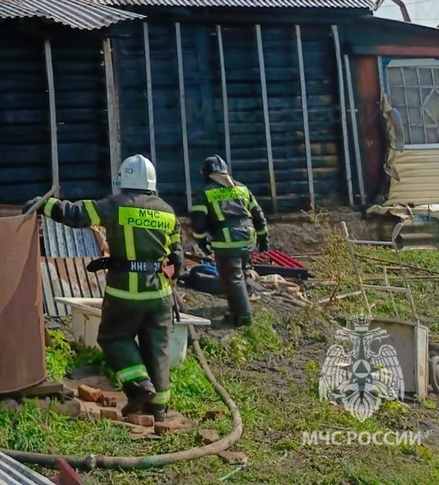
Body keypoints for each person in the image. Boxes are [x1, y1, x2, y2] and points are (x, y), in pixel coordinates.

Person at [26, 155, 184, 420]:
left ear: (124, 180)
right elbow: (177, 256)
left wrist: (45, 205)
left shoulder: (116, 205)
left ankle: (140, 386)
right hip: (161, 296)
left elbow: (77, 215)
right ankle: (158, 408)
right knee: (158, 348)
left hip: (125, 293)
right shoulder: (167, 211)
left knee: (114, 337)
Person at [189, 155, 268, 327]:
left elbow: (198, 220)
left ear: (207, 173)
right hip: (248, 237)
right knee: (243, 272)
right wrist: (263, 237)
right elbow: (258, 214)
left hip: (227, 240)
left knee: (232, 278)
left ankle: (243, 316)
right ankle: (237, 309)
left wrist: (202, 241)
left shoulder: (206, 192)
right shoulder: (242, 188)